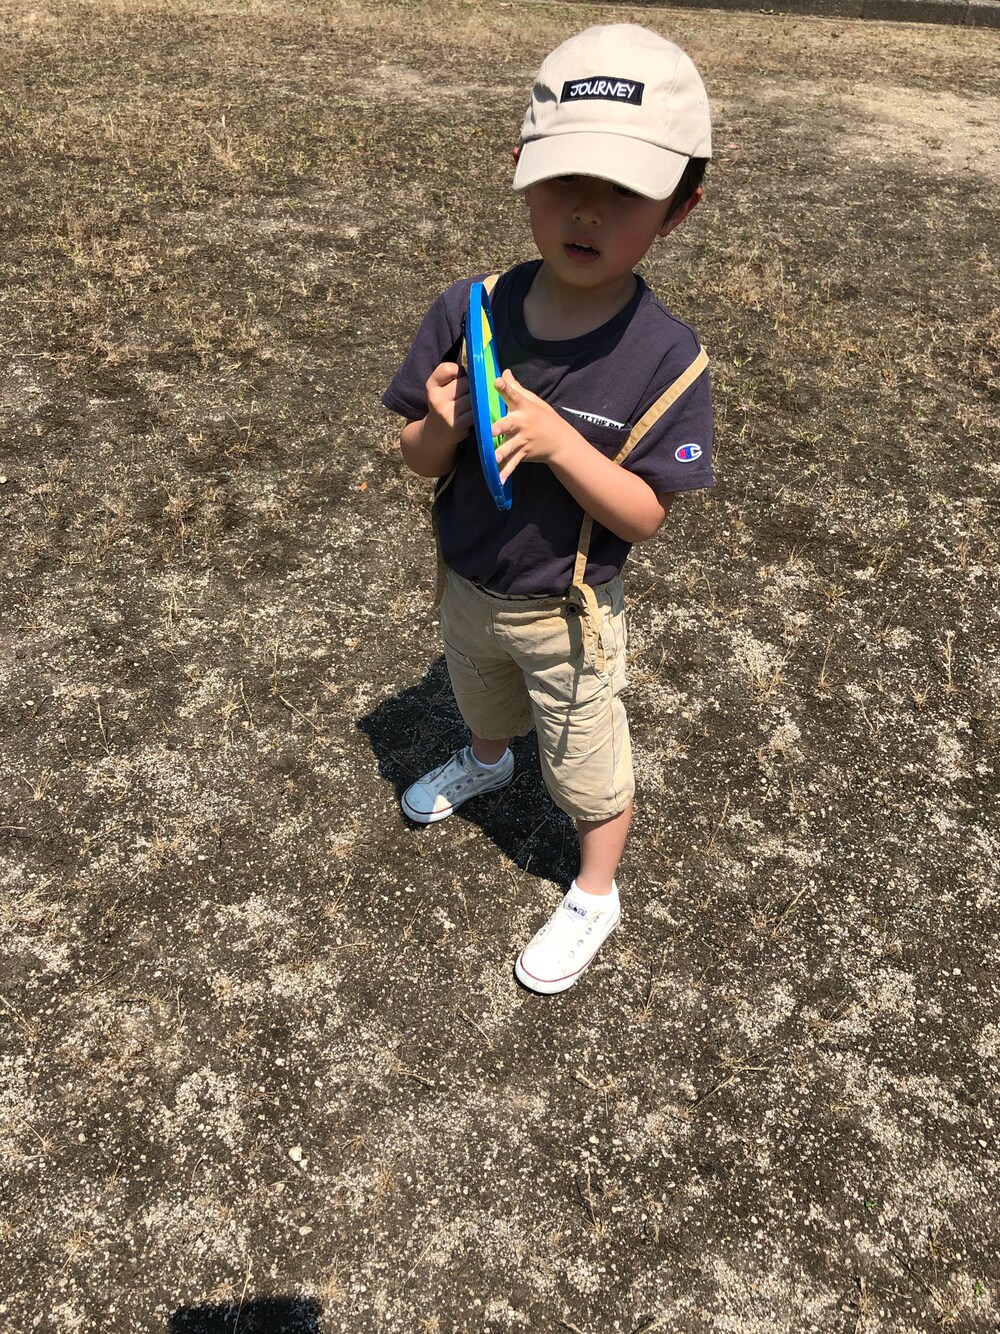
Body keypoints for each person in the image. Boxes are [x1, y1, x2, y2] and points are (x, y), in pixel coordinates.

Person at [381, 24, 714, 994]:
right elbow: (416, 458)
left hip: (568, 611)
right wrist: (441, 425)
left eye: (626, 191)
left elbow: (645, 515)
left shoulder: (667, 358)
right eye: (564, 178)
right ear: (521, 168)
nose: (587, 210)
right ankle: (485, 760)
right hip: (468, 581)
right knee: (480, 695)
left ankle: (595, 890)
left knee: (585, 764)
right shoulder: (471, 309)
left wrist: (565, 444)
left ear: (679, 209)